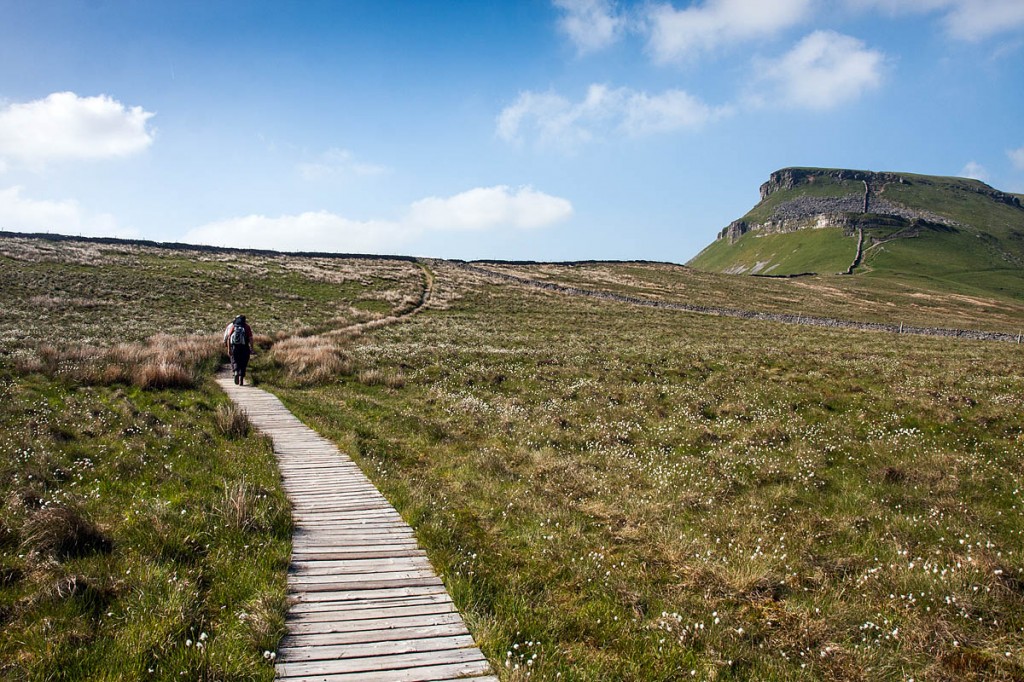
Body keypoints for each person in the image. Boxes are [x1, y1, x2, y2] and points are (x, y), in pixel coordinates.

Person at [223, 314, 254, 385]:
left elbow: (228, 337)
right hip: (245, 347)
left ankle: (236, 371)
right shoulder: (247, 326)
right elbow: (251, 338)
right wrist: (252, 348)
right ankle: (241, 379)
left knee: (235, 360)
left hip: (234, 347)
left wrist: (229, 349)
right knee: (244, 362)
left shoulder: (234, 326)